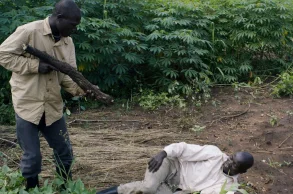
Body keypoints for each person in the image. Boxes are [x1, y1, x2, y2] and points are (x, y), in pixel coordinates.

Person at [0, 0, 84, 190]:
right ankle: (32, 189)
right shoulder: (29, 31)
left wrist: (81, 89)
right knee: (32, 157)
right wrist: (35, 67)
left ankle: (65, 187)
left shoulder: (67, 41)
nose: (74, 30)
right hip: (27, 104)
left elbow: (67, 75)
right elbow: (3, 55)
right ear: (59, 17)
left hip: (52, 105)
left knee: (64, 152)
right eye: (72, 25)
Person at [97, 142, 254, 194]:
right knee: (148, 188)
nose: (228, 161)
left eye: (234, 164)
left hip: (177, 187)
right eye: (231, 158)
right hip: (171, 166)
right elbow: (184, 149)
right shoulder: (215, 154)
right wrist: (163, 153)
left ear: (242, 171)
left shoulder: (229, 186)